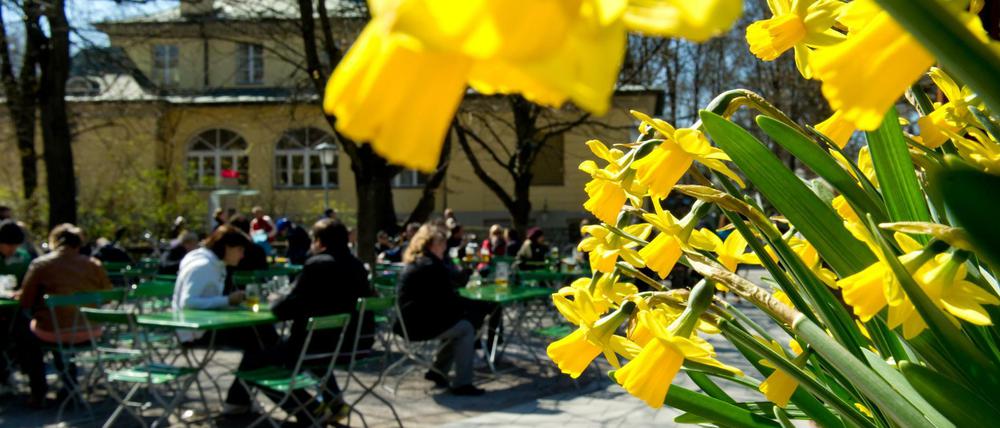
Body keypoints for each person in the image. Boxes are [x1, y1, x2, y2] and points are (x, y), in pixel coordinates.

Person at [242, 219, 375, 424]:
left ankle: (309, 409)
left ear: (319, 242)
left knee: (253, 363)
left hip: (316, 346)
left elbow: (284, 308)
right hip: (354, 343)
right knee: (316, 352)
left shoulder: (318, 265)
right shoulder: (357, 266)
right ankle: (335, 403)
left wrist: (274, 299)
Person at [171, 225, 279, 416]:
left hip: (204, 325)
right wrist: (227, 300)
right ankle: (242, 399)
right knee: (265, 342)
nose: (242, 255)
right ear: (227, 247)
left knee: (263, 339)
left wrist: (229, 302)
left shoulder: (211, 263)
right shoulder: (203, 265)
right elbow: (188, 302)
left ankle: (239, 400)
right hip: (195, 331)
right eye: (240, 249)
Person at [15, 224, 113, 407]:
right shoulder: (94, 265)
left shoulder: (41, 264)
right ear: (79, 244)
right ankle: (69, 386)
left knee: (27, 333)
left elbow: (25, 301)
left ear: (54, 242)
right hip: (92, 330)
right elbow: (107, 296)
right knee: (62, 326)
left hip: (54, 332)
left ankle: (38, 391)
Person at [395, 224, 485, 396]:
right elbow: (448, 298)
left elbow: (442, 299)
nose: (445, 246)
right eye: (441, 242)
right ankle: (462, 384)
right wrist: (475, 309)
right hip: (418, 324)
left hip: (411, 321)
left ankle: (437, 371)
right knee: (466, 328)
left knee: (458, 324)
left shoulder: (420, 262)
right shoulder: (430, 266)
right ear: (431, 244)